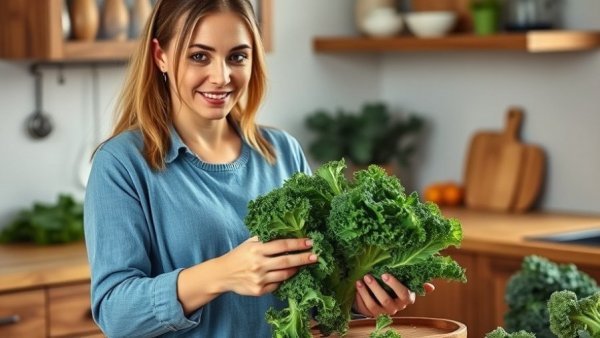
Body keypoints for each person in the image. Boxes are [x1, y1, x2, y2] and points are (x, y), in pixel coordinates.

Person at [84, 0, 433, 337]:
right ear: (160, 56)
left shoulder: (282, 152)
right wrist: (221, 274)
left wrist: (361, 298)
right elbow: (115, 313)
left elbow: (316, 291)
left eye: (237, 57)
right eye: (199, 56)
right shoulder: (122, 164)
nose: (221, 77)